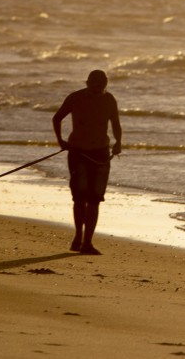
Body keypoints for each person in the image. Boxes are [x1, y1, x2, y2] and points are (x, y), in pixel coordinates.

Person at [52, 69, 122, 254]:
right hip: (78, 152)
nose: (98, 87)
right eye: (94, 83)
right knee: (79, 198)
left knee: (95, 199)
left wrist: (118, 143)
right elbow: (57, 117)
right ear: (87, 82)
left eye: (101, 83)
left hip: (100, 154)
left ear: (106, 83)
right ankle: (77, 237)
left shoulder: (109, 99)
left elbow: (115, 124)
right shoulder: (75, 98)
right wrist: (60, 141)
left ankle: (87, 242)